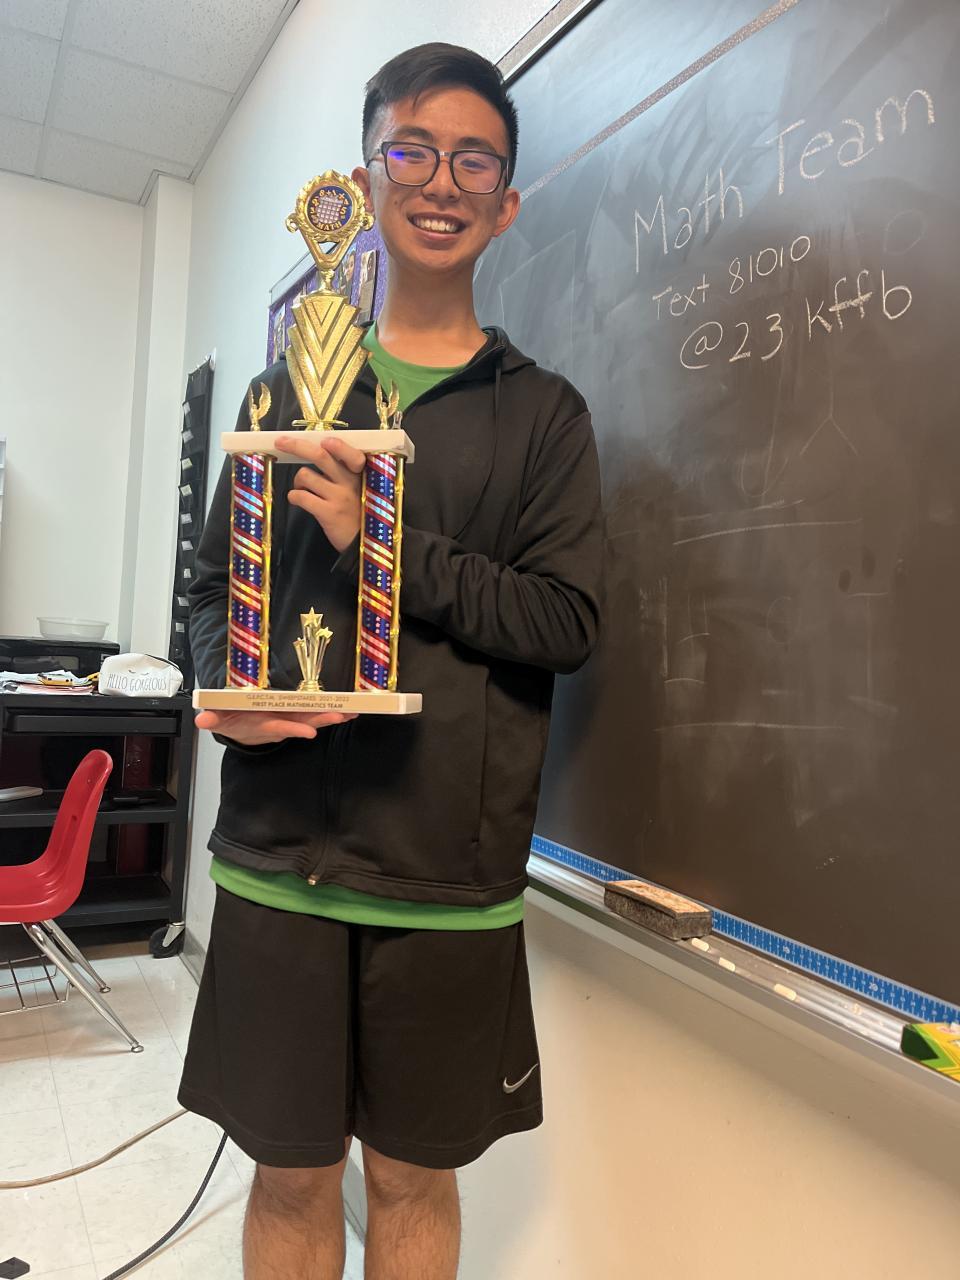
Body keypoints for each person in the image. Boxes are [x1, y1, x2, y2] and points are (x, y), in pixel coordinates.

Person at [179, 42, 603, 1280]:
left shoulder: (543, 415)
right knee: (288, 1176)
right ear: (365, 183)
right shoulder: (284, 391)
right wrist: (222, 692)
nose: (440, 181)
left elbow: (566, 620)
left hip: (446, 876)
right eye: (410, 150)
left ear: (506, 202)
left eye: (474, 160)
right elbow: (212, 589)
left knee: (415, 1181)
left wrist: (386, 541)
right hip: (279, 859)